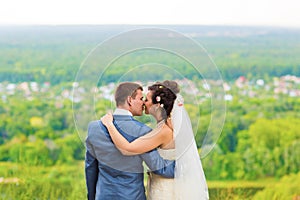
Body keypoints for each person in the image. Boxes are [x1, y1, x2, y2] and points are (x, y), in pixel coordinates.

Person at [101, 80, 209, 199]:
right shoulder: (167, 127)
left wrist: (109, 125)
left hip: (165, 190)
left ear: (157, 105)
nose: (143, 102)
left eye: (146, 100)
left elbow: (127, 149)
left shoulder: (163, 131)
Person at [85, 82, 175, 200]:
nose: (143, 102)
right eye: (140, 98)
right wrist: (186, 164)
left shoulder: (94, 128)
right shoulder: (142, 131)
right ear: (129, 100)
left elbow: (91, 168)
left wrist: (92, 197)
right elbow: (160, 168)